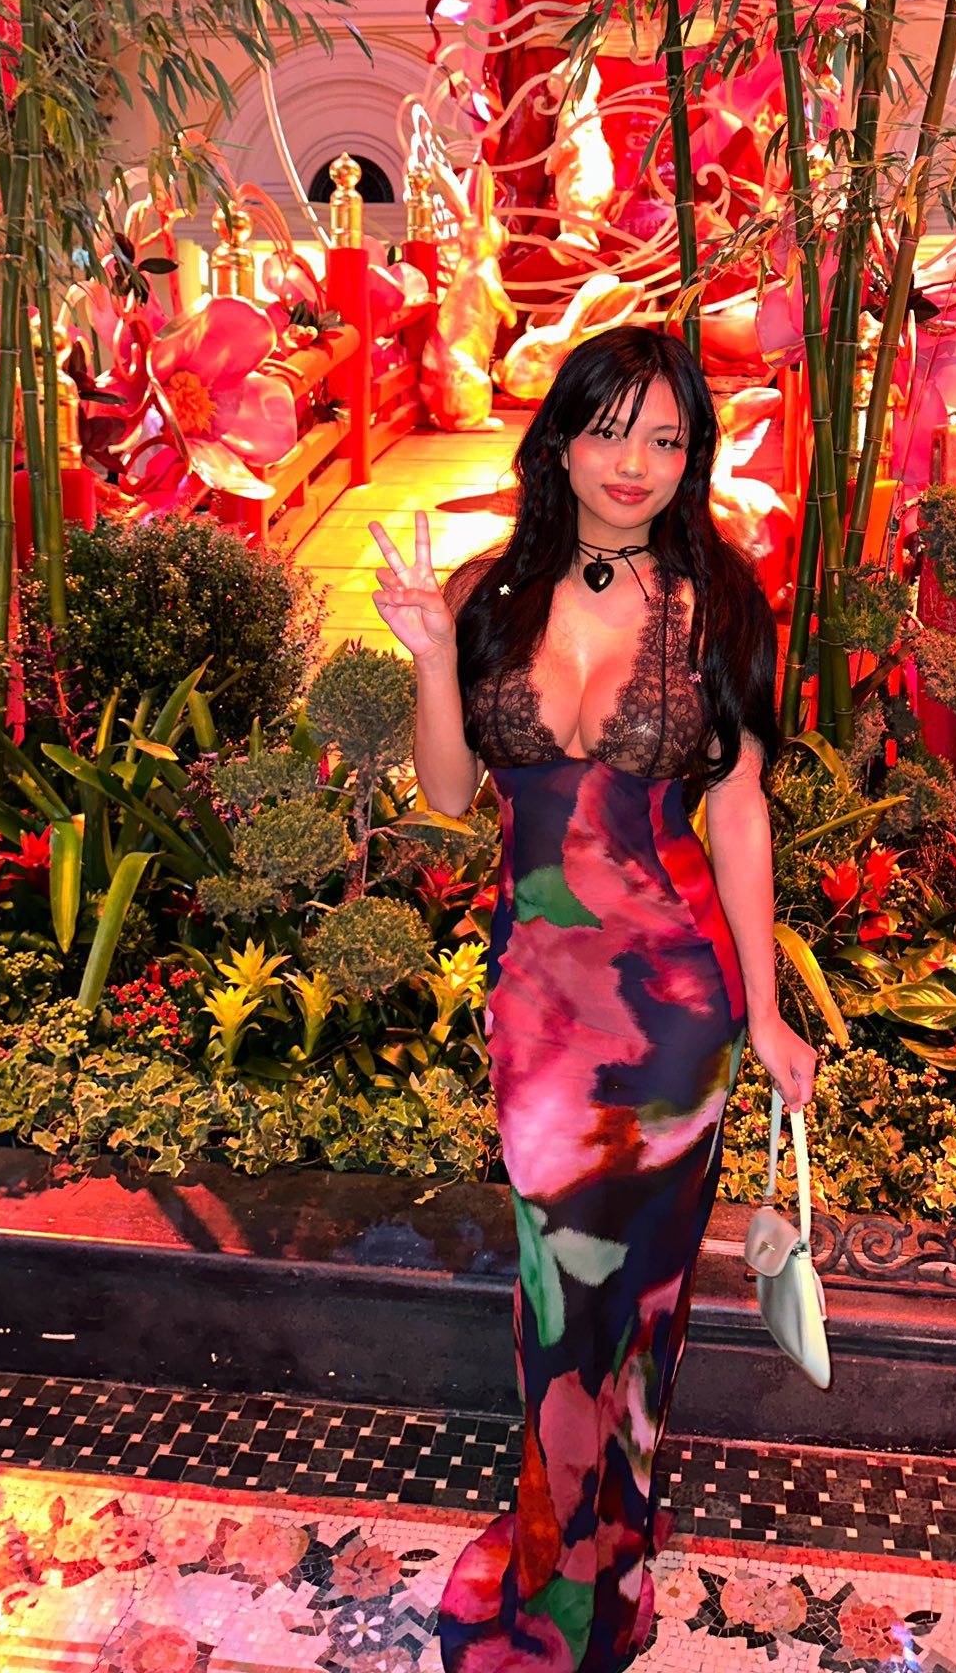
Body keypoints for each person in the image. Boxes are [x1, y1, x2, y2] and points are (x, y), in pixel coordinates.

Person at [370, 327, 815, 1673]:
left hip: (676, 1006)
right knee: (558, 1302)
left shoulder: (720, 603)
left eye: (666, 438)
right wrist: (428, 655)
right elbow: (451, 794)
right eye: (611, 429)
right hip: (538, 1014)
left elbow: (738, 811)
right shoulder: (486, 595)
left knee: (641, 1301)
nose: (635, 463)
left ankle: (588, 1585)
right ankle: (579, 1548)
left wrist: (767, 1011)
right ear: (558, 439)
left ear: (692, 459)